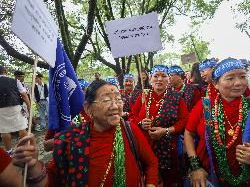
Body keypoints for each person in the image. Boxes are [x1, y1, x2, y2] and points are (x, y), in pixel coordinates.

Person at [13, 79, 158, 187]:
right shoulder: (71, 138)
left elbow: (151, 162)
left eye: (118, 99)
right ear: (88, 108)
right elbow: (52, 181)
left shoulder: (130, 129)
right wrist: (32, 165)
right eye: (106, 100)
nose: (115, 106)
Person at [184, 58, 250, 187]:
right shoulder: (205, 106)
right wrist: (195, 167)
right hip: (212, 175)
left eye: (242, 76)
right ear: (216, 84)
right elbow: (189, 133)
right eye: (230, 78)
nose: (239, 83)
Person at [130, 65, 189, 187]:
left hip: (169, 148)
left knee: (168, 180)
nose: (159, 79)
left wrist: (166, 131)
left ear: (169, 79)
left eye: (163, 76)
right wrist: (141, 123)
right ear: (150, 79)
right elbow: (132, 115)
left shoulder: (177, 97)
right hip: (145, 146)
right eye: (156, 76)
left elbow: (184, 121)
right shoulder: (144, 95)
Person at [0, 65, 30, 154]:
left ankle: (9, 151)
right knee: (22, 127)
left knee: (4, 130)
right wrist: (29, 106)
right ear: (5, 71)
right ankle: (23, 147)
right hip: (15, 106)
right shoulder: (15, 81)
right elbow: (24, 95)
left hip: (1, 108)